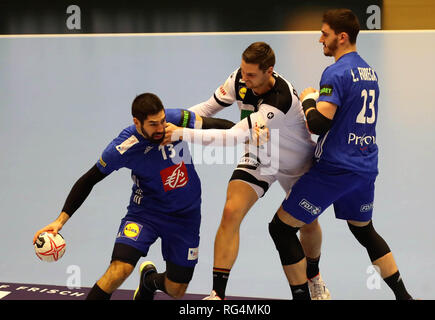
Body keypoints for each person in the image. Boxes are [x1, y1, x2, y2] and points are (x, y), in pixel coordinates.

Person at [32, 93, 234, 300]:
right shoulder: (123, 147)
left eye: (162, 121)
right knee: (120, 270)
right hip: (146, 213)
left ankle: (149, 281)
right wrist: (60, 221)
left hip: (186, 215)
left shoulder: (175, 121)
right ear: (137, 123)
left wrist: (247, 133)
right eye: (153, 124)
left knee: (176, 289)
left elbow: (212, 124)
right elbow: (88, 180)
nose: (161, 128)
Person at [167, 42, 329, 300]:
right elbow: (208, 108)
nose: (245, 79)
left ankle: (314, 277)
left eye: (251, 75)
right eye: (243, 72)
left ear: (269, 71)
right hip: (261, 156)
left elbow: (232, 137)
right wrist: (172, 118)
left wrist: (179, 133)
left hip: (297, 164)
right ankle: (217, 294)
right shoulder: (239, 79)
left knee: (307, 223)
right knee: (231, 211)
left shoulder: (279, 101)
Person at [269, 9, 413, 300]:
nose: (320, 38)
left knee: (281, 229)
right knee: (364, 231)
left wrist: (309, 98)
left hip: (334, 169)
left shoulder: (335, 72)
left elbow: (319, 123)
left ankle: (303, 294)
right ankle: (404, 297)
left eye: (325, 33)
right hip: (364, 168)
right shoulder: (370, 72)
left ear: (341, 37)